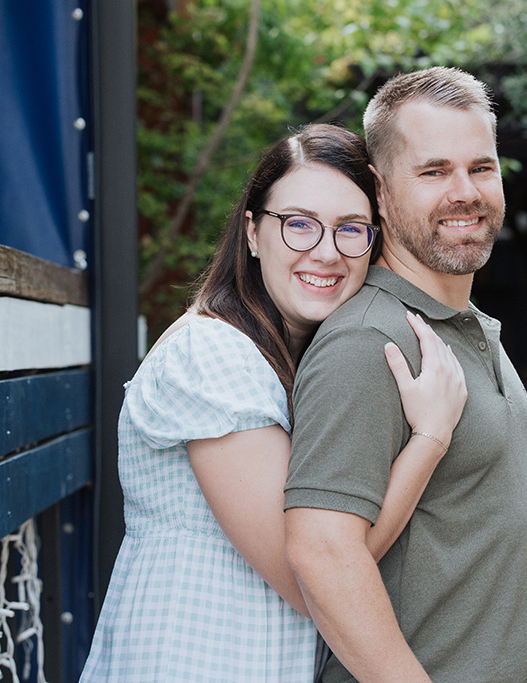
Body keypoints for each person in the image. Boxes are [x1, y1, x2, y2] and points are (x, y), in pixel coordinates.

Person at [79, 123, 468, 682]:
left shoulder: (286, 363)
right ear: (253, 232)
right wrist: (430, 438)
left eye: (351, 229)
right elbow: (312, 574)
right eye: (300, 225)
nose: (327, 252)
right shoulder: (210, 354)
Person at [284, 68, 527, 682]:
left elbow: (517, 546)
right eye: (433, 171)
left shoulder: (468, 329)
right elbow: (323, 555)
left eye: (481, 167)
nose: (464, 191)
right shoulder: (370, 340)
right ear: (380, 189)